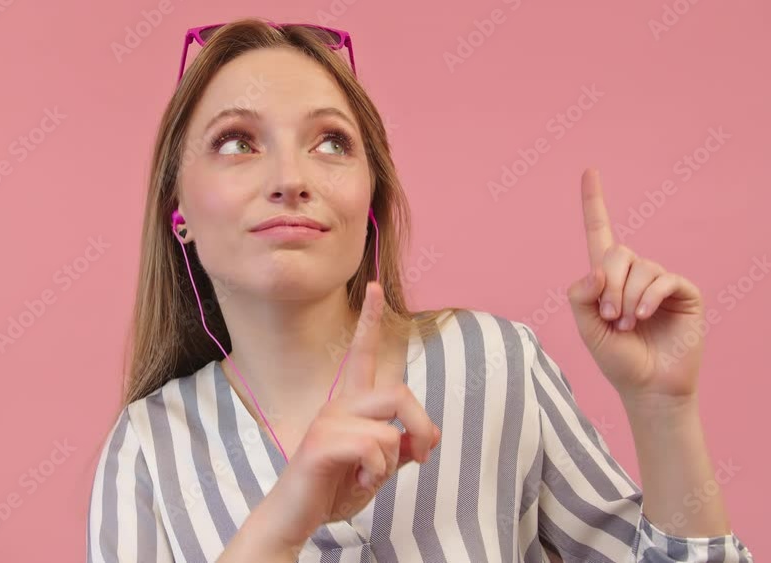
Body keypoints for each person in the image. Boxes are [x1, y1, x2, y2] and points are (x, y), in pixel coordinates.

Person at [87, 17, 753, 562]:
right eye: (237, 142)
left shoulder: (494, 364)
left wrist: (664, 411)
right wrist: (283, 524)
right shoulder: (147, 448)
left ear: (369, 199)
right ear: (178, 210)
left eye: (331, 143)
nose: (291, 178)